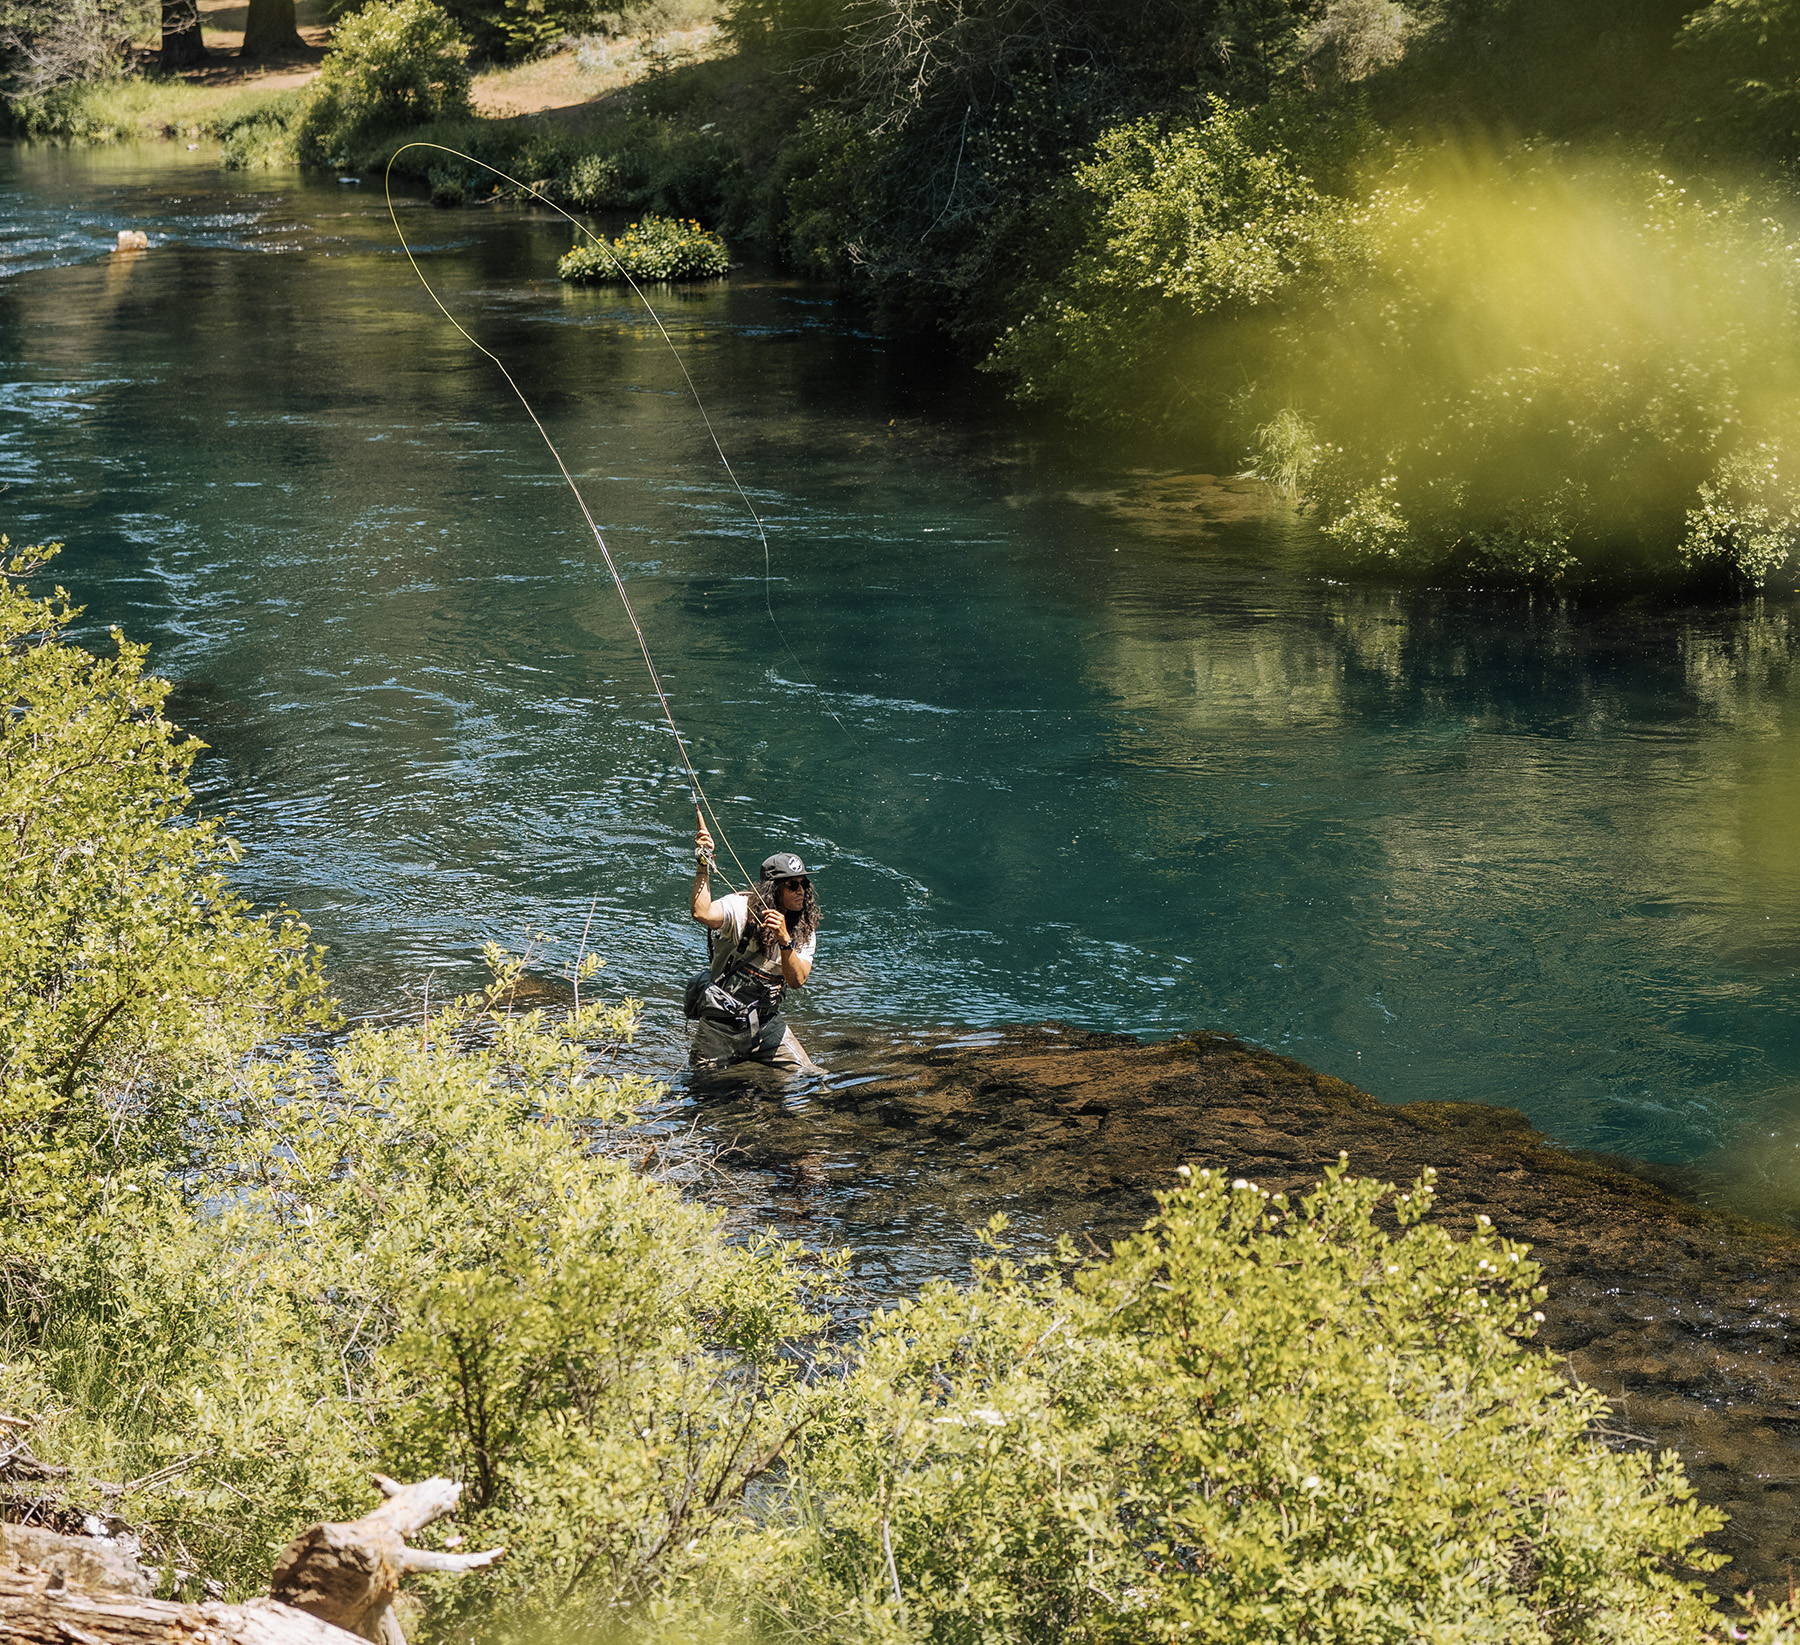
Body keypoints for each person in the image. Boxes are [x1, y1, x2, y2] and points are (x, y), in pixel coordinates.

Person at [689, 812, 822, 1075]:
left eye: (804, 884)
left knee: (811, 1077)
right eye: (793, 885)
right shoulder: (740, 909)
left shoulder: (805, 930)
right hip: (719, 1025)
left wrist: (785, 940)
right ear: (773, 889)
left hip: (766, 1024)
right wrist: (703, 863)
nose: (801, 892)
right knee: (704, 1093)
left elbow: (797, 981)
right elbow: (701, 913)